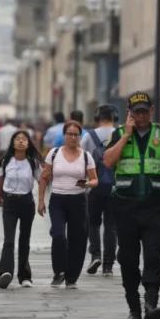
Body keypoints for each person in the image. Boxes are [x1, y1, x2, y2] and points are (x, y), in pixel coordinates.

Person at [102, 91, 160, 319]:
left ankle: (150, 304)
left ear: (152, 110)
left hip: (155, 208)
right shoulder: (118, 134)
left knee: (154, 256)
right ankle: (134, 309)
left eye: (145, 111)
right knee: (127, 259)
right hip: (125, 208)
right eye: (137, 112)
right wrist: (126, 134)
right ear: (129, 113)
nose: (142, 115)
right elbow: (108, 161)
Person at [38, 120, 98, 289]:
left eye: (76, 134)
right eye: (69, 134)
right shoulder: (54, 154)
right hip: (57, 200)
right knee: (58, 236)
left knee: (77, 240)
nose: (72, 137)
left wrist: (87, 184)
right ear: (64, 135)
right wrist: (41, 200)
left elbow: (95, 180)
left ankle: (72, 276)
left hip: (78, 201)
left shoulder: (86, 156)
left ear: (80, 136)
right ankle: (59, 272)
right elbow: (44, 177)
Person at [0, 130, 43, 289]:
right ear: (13, 143)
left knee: (24, 240)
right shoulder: (6, 161)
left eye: (24, 139)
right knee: (9, 240)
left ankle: (25, 276)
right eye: (18, 139)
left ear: (28, 143)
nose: (21, 142)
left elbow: (41, 181)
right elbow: (1, 179)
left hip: (27, 203)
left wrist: (41, 201)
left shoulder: (33, 162)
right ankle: (4, 273)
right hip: (9, 202)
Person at [80, 104, 119, 276]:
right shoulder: (121, 135)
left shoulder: (89, 136)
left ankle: (95, 254)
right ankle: (108, 265)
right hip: (116, 188)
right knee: (111, 226)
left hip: (94, 188)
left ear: (97, 118)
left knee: (93, 223)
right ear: (114, 118)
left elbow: (80, 160)